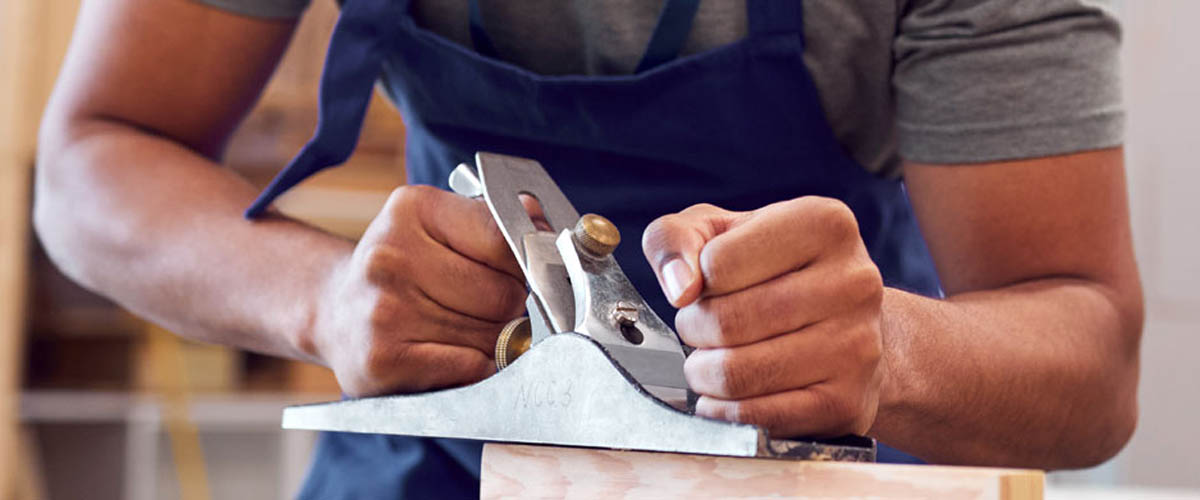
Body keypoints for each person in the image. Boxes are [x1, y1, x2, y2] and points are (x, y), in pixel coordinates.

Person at [35, 0, 1141, 498]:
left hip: (814, 472)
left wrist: (892, 350)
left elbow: (1091, 356)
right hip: (446, 458)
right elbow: (91, 157)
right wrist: (321, 297)